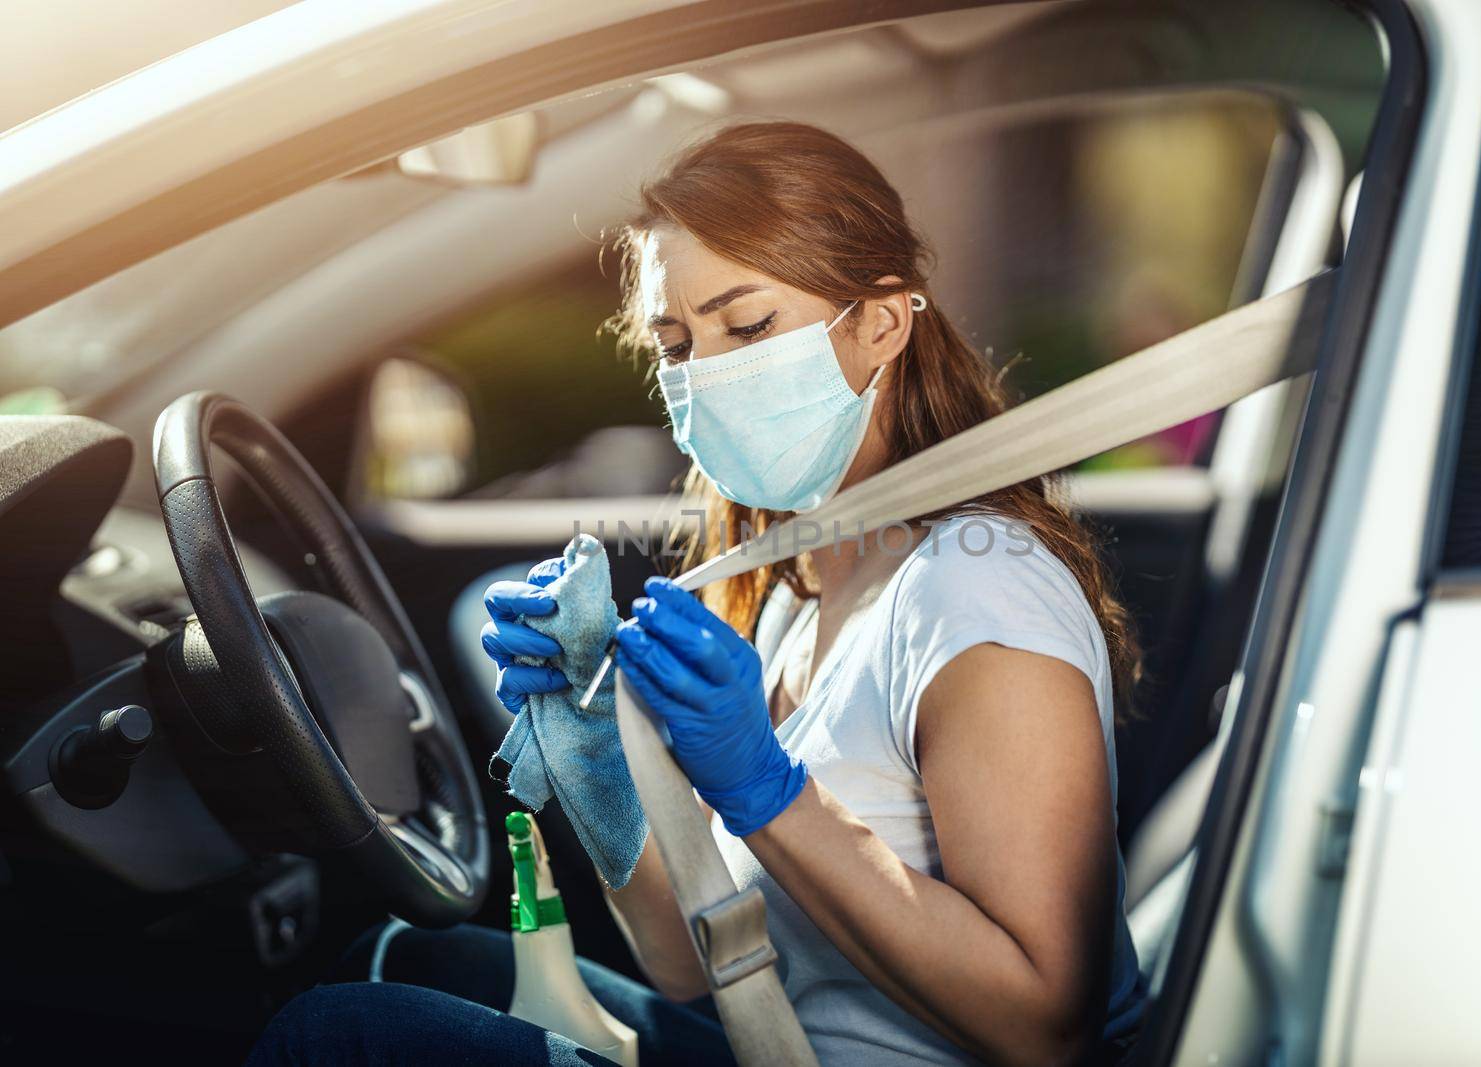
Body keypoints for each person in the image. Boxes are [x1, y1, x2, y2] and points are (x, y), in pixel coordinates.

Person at [250, 120, 1145, 1066]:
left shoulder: (978, 595)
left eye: (748, 326)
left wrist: (766, 789)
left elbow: (1047, 1027)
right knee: (403, 962)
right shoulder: (803, 574)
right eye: (676, 344)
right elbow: (695, 964)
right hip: (775, 1043)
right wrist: (602, 765)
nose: (706, 375)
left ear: (881, 323)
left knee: (338, 1037)